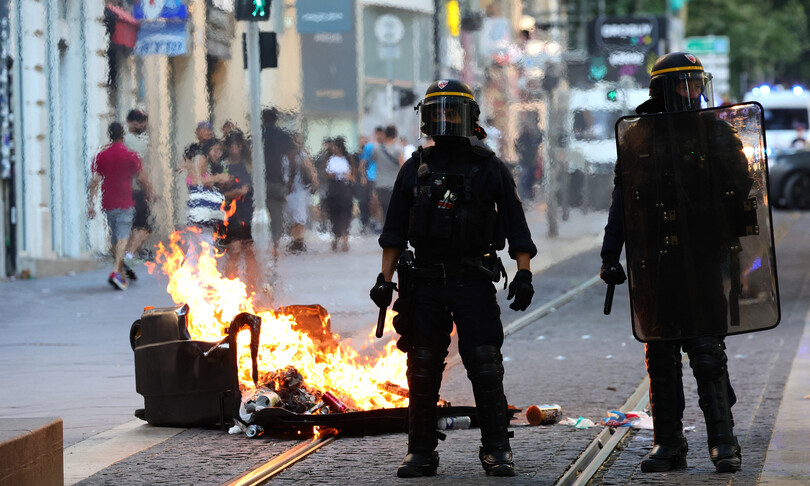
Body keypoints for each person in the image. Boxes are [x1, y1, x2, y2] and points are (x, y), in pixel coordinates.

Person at [370, 79, 536, 478]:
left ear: (468, 118)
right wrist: (384, 279)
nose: (445, 118)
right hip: (424, 282)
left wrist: (524, 273)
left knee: (485, 364)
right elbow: (393, 233)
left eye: (452, 111)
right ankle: (420, 451)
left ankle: (497, 448)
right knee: (422, 367)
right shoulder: (414, 168)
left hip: (472, 279)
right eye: (438, 111)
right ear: (427, 118)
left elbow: (517, 227)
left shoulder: (490, 167)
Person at [600, 52, 750, 474]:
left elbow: (743, 192)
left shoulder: (716, 132)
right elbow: (622, 202)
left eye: (696, 82)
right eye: (684, 83)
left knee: (707, 351)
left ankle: (723, 442)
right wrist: (610, 255)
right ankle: (668, 443)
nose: (693, 91)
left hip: (702, 259)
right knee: (661, 355)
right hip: (655, 263)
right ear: (662, 90)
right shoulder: (638, 137)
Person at [87, 122, 155, 290]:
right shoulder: (131, 155)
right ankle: (117, 272)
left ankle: (120, 270)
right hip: (125, 201)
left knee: (115, 239)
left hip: (108, 203)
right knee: (123, 238)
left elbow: (94, 181)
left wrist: (91, 203)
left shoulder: (101, 156)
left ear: (109, 135)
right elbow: (141, 178)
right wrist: (149, 191)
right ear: (123, 135)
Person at [216, 130, 260, 289]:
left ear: (241, 147)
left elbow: (257, 186)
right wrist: (234, 193)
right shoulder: (223, 166)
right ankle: (230, 285)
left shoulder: (249, 165)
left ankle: (252, 284)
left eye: (237, 145)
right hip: (230, 213)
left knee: (250, 250)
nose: (234, 148)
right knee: (234, 250)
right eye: (231, 146)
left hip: (248, 211)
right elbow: (218, 190)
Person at [262, 108, 298, 260]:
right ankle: (275, 246)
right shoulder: (283, 136)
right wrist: (290, 180)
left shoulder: (258, 135)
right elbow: (292, 157)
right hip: (278, 181)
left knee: (256, 213)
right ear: (276, 119)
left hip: (259, 182)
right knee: (276, 215)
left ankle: (259, 246)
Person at [123, 109, 151, 280]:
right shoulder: (133, 141)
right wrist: (149, 189)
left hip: (125, 190)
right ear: (132, 123)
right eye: (141, 122)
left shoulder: (125, 140)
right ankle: (129, 255)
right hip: (136, 190)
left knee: (133, 227)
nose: (143, 125)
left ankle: (128, 257)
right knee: (145, 228)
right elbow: (139, 170)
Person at [284, 132, 319, 253]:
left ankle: (299, 242)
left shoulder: (301, 154)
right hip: (288, 191)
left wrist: (314, 181)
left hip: (300, 190)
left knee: (299, 217)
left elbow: (310, 168)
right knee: (292, 217)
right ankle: (296, 241)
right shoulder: (284, 155)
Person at [324, 137, 354, 252]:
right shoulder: (330, 159)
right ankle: (336, 238)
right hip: (334, 188)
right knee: (334, 214)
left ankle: (345, 238)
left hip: (345, 189)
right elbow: (326, 173)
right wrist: (334, 174)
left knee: (345, 214)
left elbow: (352, 176)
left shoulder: (348, 159)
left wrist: (347, 175)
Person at [372, 125, 405, 218]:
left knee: (384, 208)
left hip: (380, 184)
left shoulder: (376, 149)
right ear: (395, 135)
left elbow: (373, 159)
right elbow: (403, 166)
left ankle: (384, 225)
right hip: (393, 184)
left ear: (385, 134)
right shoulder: (398, 149)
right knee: (394, 208)